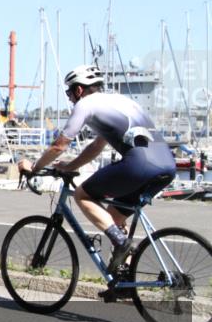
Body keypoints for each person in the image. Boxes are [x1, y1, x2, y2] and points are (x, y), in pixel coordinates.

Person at [18, 65, 176, 286]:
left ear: (79, 90)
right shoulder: (121, 102)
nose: (70, 98)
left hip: (139, 165)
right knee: (114, 216)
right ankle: (125, 280)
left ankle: (121, 243)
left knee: (82, 195)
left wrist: (34, 167)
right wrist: (69, 166)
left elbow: (60, 145)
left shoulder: (86, 105)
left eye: (69, 93)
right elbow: (97, 146)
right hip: (166, 166)